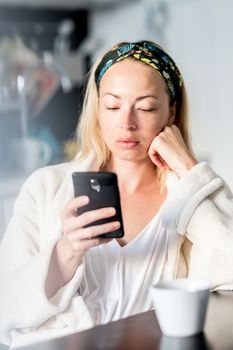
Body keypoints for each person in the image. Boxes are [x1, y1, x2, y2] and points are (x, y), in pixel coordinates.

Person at [1, 40, 233, 347]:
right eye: (112, 106)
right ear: (97, 109)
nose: (126, 123)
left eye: (146, 107)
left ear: (171, 112)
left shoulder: (189, 196)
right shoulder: (45, 188)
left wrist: (189, 168)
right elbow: (6, 310)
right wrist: (64, 253)